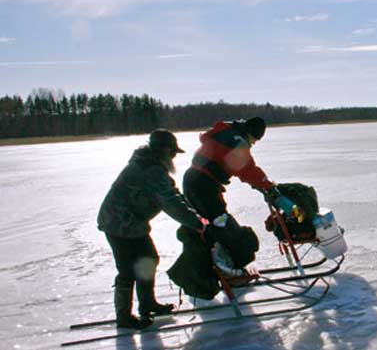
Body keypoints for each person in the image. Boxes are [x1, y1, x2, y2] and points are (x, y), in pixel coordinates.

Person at [98, 129, 210, 329]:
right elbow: (170, 203)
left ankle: (147, 303)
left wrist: (196, 217)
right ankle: (124, 317)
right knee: (127, 270)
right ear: (165, 151)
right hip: (119, 224)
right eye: (173, 152)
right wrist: (196, 223)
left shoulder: (152, 165)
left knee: (149, 259)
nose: (174, 156)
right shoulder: (151, 170)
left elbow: (173, 194)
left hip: (132, 223)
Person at [183, 117, 292, 270]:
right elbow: (248, 170)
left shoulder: (226, 133)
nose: (253, 143)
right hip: (203, 187)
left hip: (193, 182)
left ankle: (220, 264)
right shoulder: (236, 142)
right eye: (254, 139)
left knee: (211, 224)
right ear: (250, 133)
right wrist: (267, 186)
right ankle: (230, 267)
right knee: (221, 224)